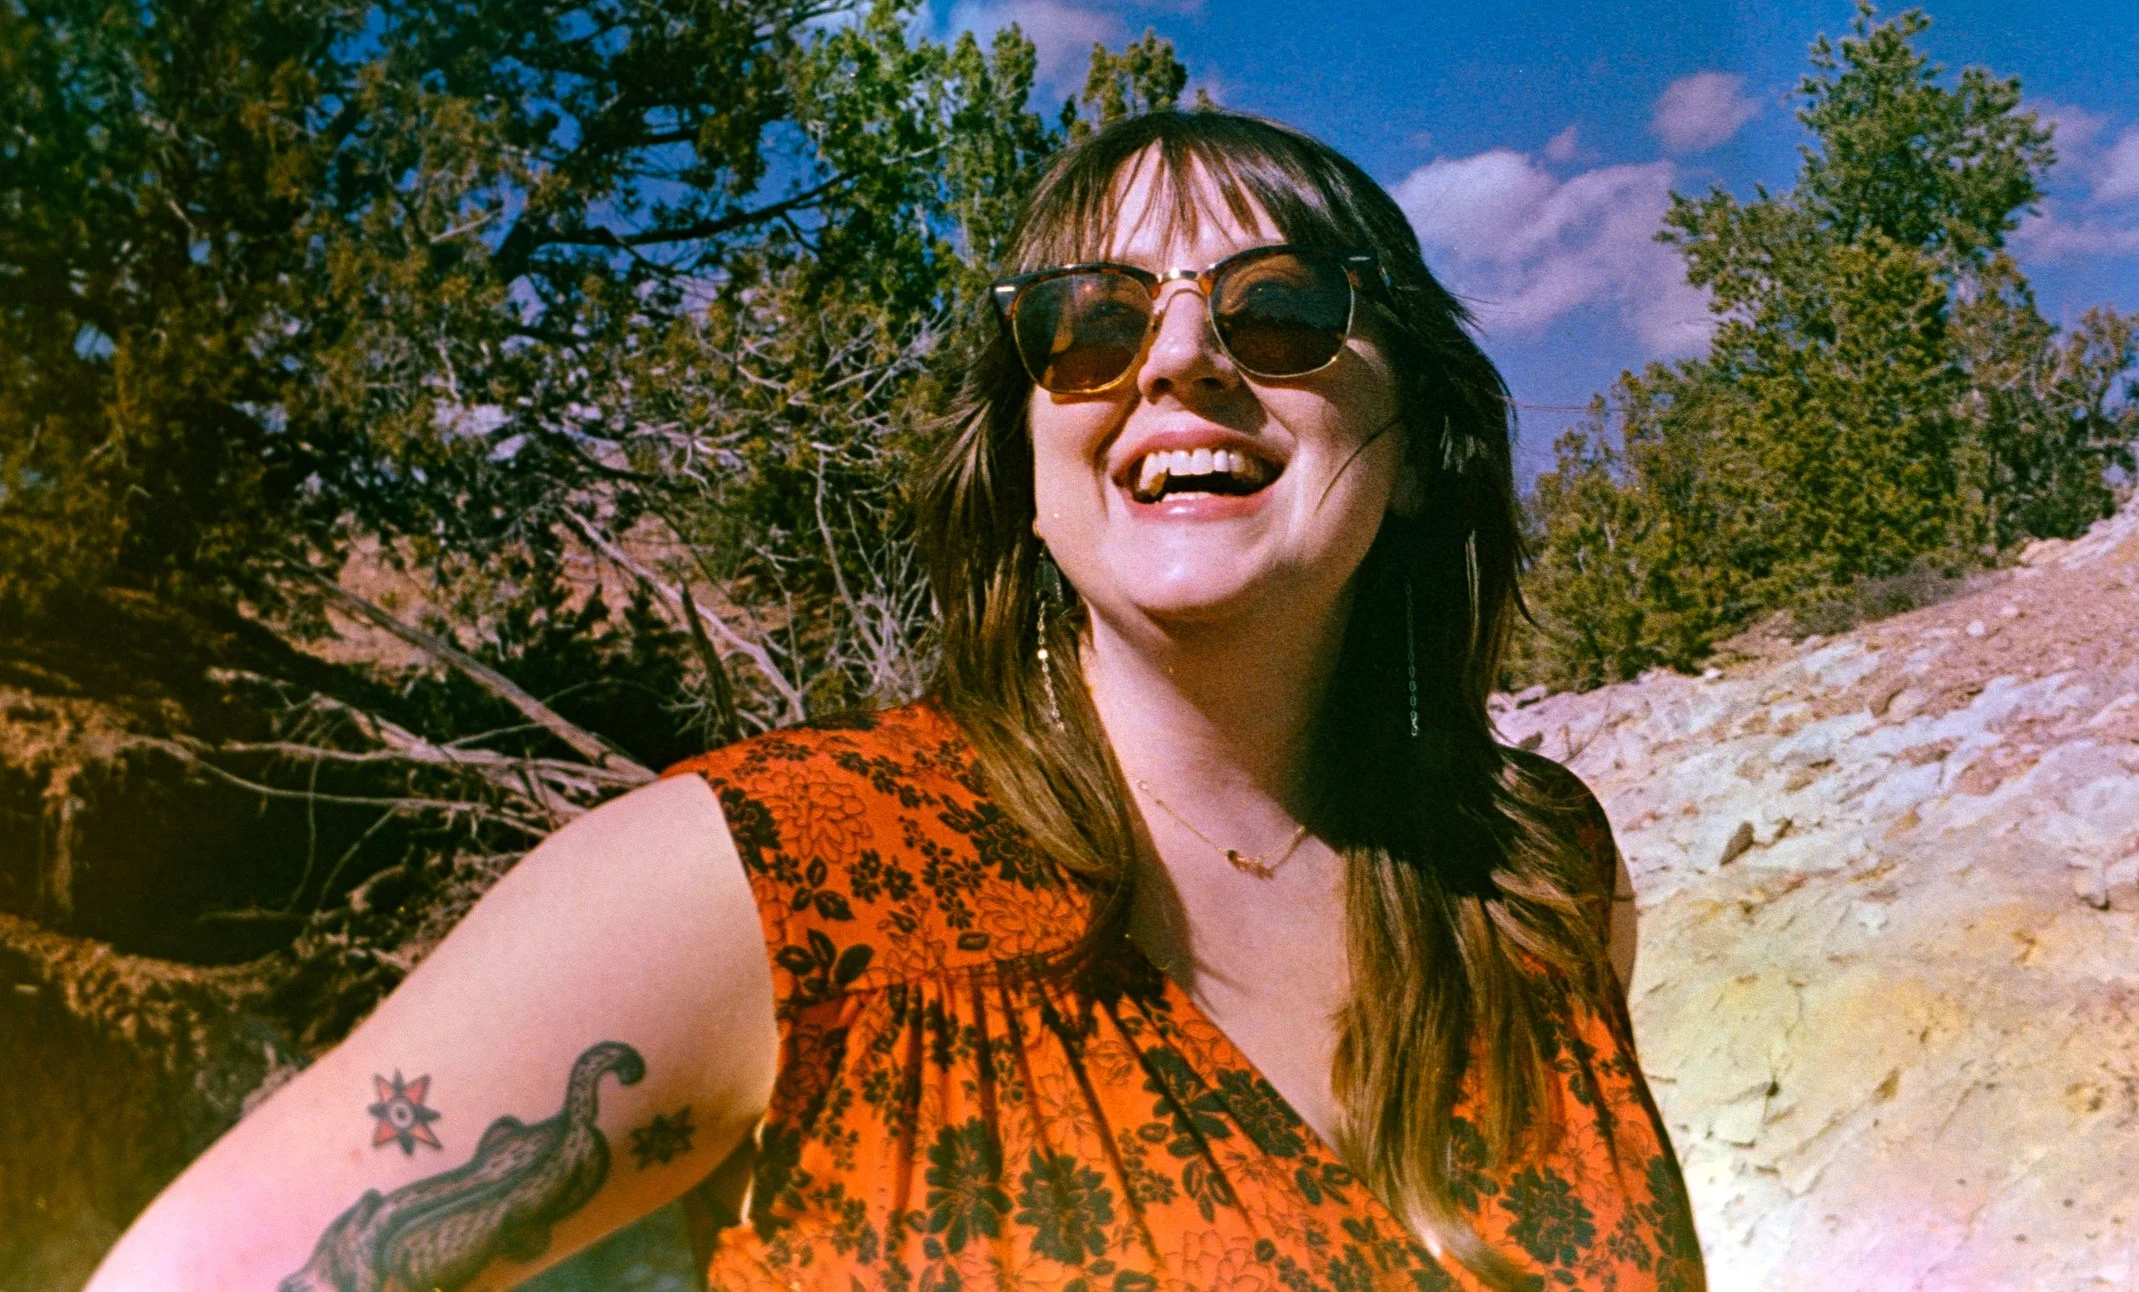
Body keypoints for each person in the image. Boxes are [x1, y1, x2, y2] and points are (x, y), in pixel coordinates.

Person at [86, 110, 1705, 1292]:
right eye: (1090, 325)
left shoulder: (1536, 882)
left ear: (1419, 442)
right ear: (1024, 456)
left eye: (1282, 312)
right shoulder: (776, 881)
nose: (1179, 361)